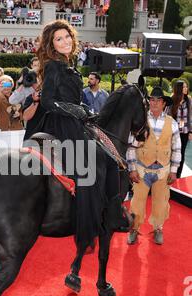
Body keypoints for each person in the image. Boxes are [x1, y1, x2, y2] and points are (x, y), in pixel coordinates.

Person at [36, 20, 130, 250]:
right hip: (61, 124)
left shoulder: (68, 64)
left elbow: (71, 98)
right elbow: (47, 102)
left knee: (109, 156)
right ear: (51, 44)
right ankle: (87, 231)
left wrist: (84, 109)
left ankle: (111, 212)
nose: (65, 41)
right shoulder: (53, 66)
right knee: (89, 169)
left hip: (75, 119)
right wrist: (72, 109)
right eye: (58, 39)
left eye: (67, 36)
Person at [126, 86, 181, 245]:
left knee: (161, 203)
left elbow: (176, 148)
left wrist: (173, 171)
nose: (154, 102)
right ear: (148, 101)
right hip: (142, 169)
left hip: (163, 171)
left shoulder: (172, 123)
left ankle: (158, 229)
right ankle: (134, 229)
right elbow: (131, 146)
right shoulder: (141, 120)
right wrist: (132, 169)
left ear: (164, 103)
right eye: (152, 99)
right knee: (136, 202)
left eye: (158, 100)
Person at [167, 80, 192, 178]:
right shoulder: (172, 99)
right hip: (173, 132)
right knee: (171, 152)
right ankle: (168, 174)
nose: (186, 89)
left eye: (186, 87)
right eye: (184, 87)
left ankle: (178, 175)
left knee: (181, 154)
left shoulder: (189, 100)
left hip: (185, 132)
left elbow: (190, 117)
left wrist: (191, 131)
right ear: (178, 89)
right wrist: (177, 104)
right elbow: (168, 115)